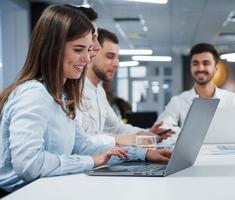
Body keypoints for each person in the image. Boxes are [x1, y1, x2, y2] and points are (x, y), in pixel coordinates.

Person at [0, 5, 171, 193]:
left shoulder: (64, 95)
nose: (88, 59)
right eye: (78, 49)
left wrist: (143, 154)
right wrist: (90, 161)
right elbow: (29, 164)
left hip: (49, 187)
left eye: (88, 49)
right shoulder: (34, 94)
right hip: (20, 193)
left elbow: (82, 146)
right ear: (53, 49)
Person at [77, 28, 172, 147]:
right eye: (110, 56)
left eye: (117, 58)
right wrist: (117, 139)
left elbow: (116, 127)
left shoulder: (99, 91)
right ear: (92, 53)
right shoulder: (76, 90)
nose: (116, 63)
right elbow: (79, 140)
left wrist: (146, 133)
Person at [156, 43, 235, 142]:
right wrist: (183, 135)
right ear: (191, 67)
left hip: (227, 157)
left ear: (215, 68)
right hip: (190, 160)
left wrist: (232, 137)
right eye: (195, 63)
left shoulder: (233, 99)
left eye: (206, 63)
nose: (200, 68)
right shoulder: (178, 101)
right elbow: (161, 129)